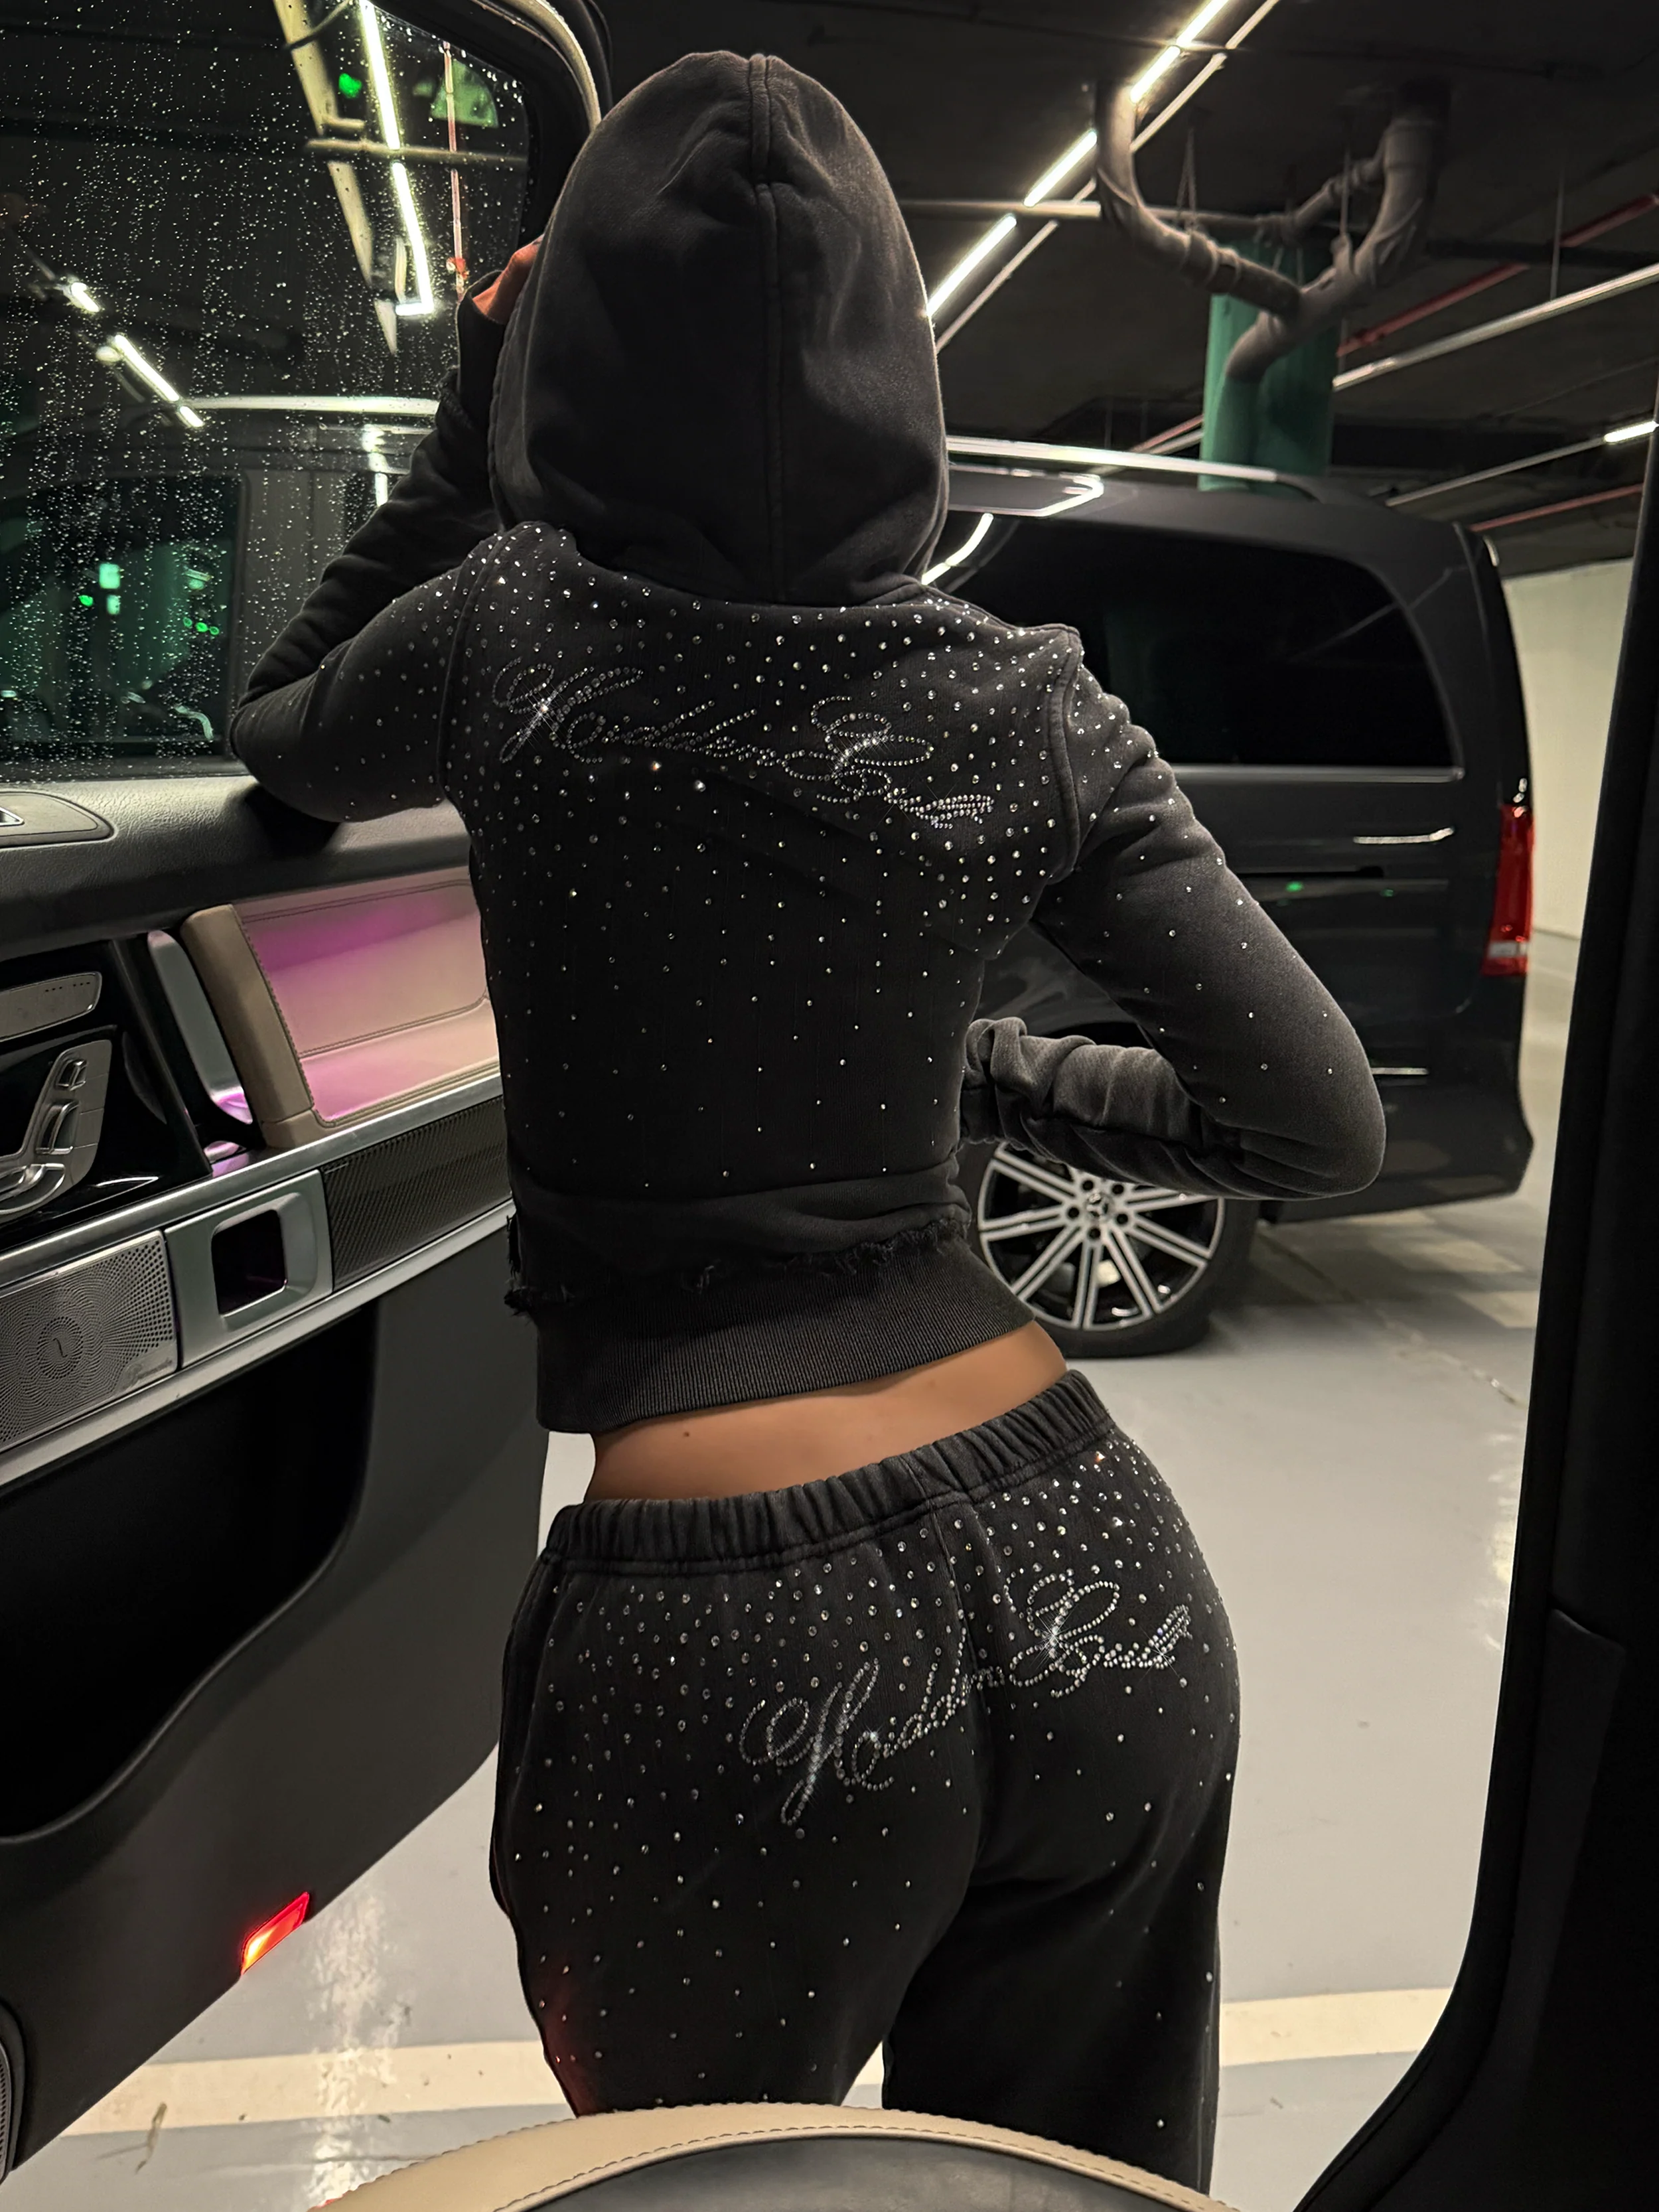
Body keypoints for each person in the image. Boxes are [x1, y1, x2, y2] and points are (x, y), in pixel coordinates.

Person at [231, 50, 1385, 2190]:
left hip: (733, 1637)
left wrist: (466, 437)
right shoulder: (1030, 699)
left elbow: (278, 731)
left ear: (570, 361)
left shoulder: (503, 637)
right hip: (1093, 1557)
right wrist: (995, 1075)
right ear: (894, 372)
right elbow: (1313, 1130)